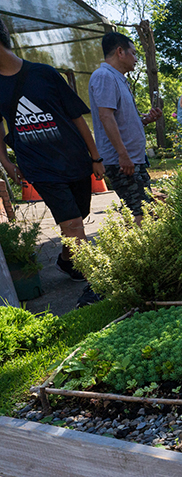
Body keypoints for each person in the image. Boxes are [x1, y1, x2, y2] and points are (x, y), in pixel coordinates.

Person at [0, 17, 105, 307]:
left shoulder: (44, 74)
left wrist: (95, 156)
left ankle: (66, 260)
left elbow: (76, 117)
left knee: (76, 218)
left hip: (74, 160)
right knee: (72, 223)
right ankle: (95, 284)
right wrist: (7, 163)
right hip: (39, 166)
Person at [89, 32, 162, 226]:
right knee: (139, 213)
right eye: (134, 53)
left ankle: (146, 251)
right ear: (120, 52)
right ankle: (140, 254)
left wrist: (145, 120)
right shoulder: (104, 76)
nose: (136, 59)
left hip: (132, 159)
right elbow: (106, 116)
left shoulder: (119, 78)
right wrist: (123, 154)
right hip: (123, 161)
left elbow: (119, 118)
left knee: (146, 209)